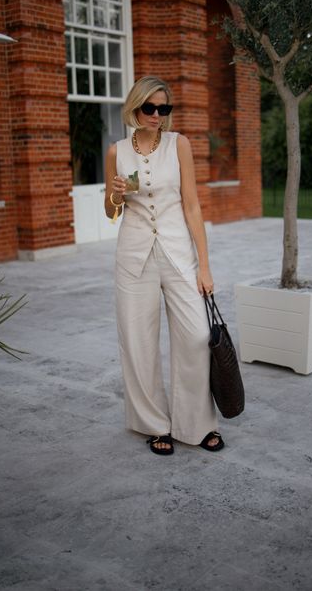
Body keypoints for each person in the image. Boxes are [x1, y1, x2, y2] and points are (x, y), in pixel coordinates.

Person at [104, 75, 224, 455]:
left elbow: (192, 205)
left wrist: (204, 266)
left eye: (163, 108)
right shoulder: (116, 152)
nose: (157, 115)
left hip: (177, 252)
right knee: (138, 342)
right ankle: (154, 424)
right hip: (133, 256)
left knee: (195, 336)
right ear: (134, 107)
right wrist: (115, 194)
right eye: (149, 108)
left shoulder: (179, 144)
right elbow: (110, 213)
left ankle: (196, 423)